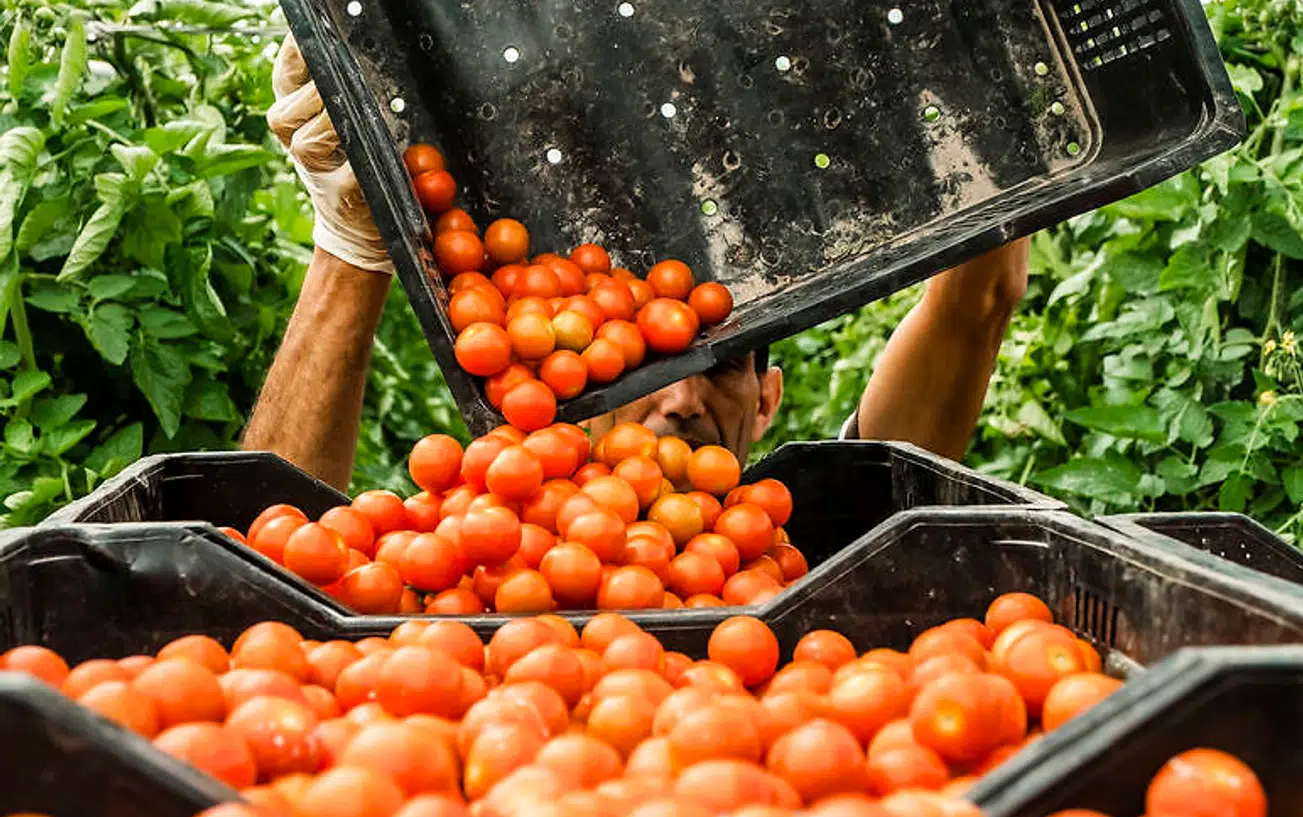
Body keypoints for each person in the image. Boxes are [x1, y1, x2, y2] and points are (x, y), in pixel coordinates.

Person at [245, 38, 1029, 489]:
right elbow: (263, 576)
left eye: (724, 366)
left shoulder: (819, 547)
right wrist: (350, 252)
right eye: (640, 363)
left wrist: (986, 81)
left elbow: (977, 304)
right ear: (550, 391)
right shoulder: (474, 555)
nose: (682, 398)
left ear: (767, 401)